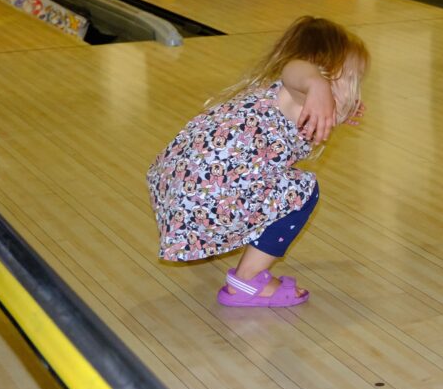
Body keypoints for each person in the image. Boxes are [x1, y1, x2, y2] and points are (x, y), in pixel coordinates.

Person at [147, 16, 368, 307]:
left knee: (272, 181)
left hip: (179, 183)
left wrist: (334, 107)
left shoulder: (279, 95)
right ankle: (247, 281)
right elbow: (296, 70)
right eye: (351, 79)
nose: (355, 90)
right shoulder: (299, 84)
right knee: (302, 192)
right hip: (205, 194)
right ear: (323, 70)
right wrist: (316, 85)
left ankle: (216, 231)